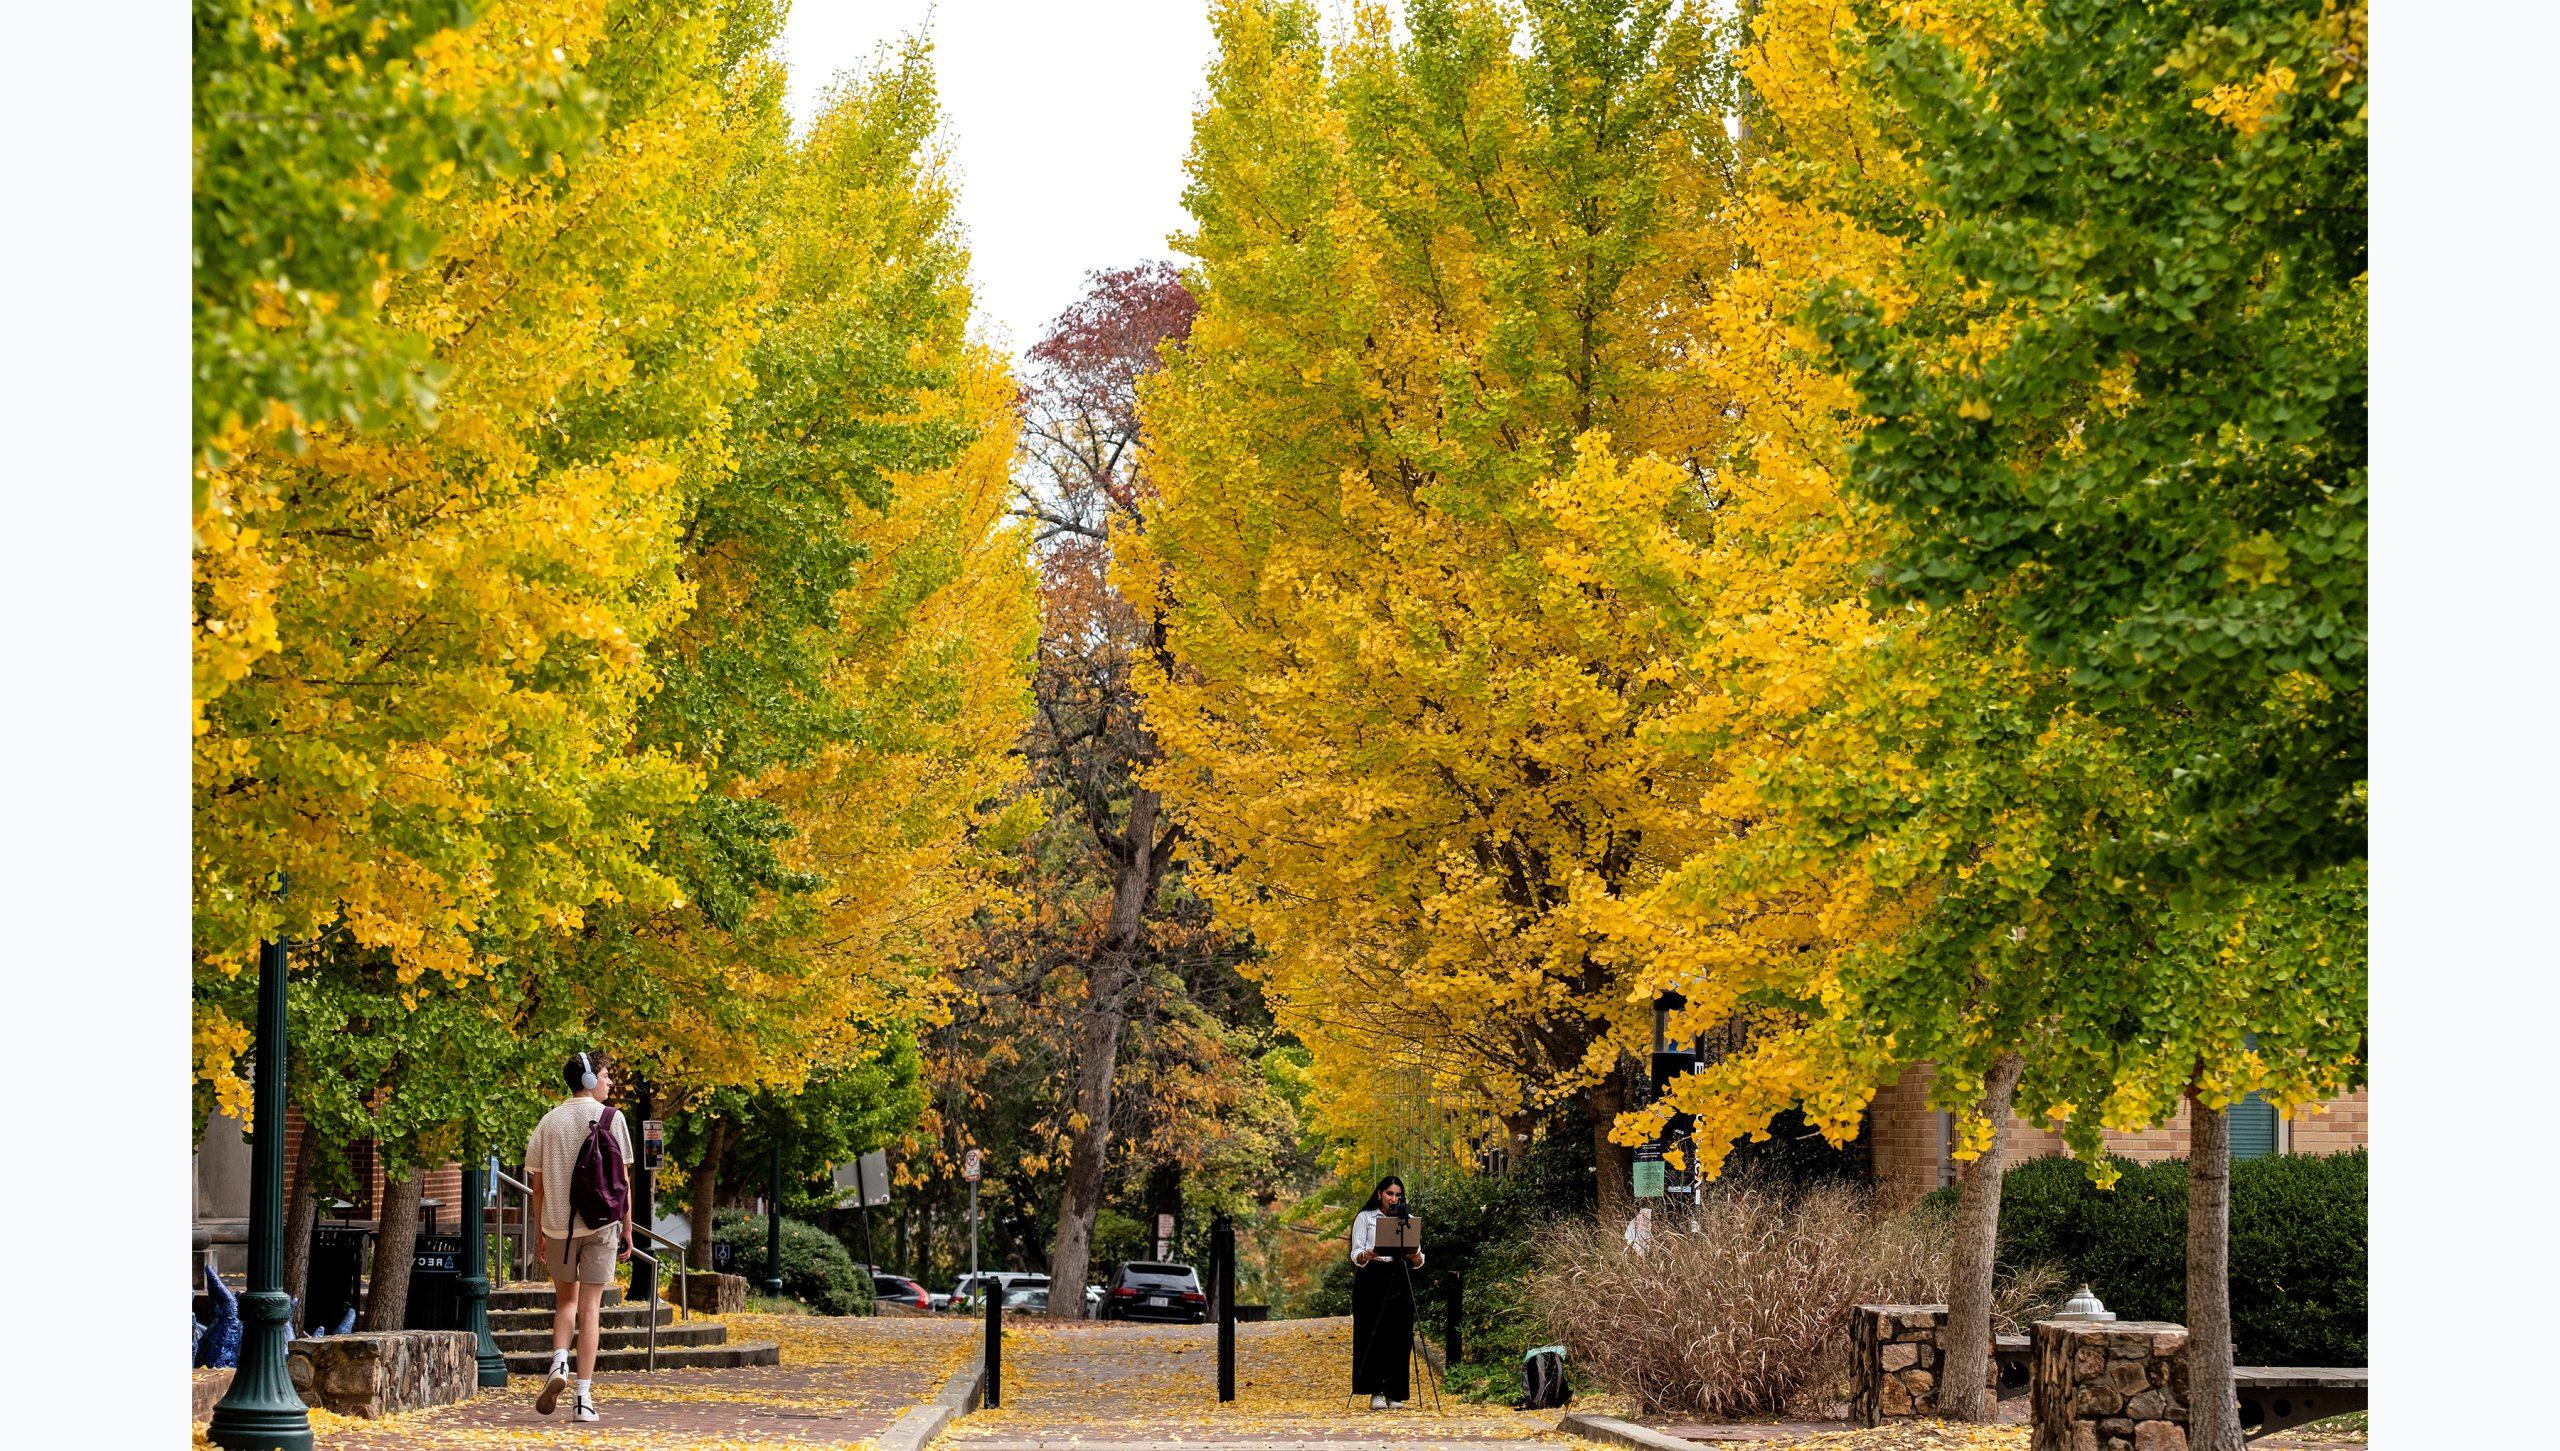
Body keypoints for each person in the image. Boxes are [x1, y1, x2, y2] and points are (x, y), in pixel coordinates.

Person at [525, 1050, 633, 1423]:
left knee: (565, 1303)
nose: (610, 1082)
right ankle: (583, 1400)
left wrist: (540, 1230)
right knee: (591, 1309)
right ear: (589, 1079)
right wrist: (627, 1228)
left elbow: (537, 1187)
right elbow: (623, 1182)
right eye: (605, 1075)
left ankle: (558, 1364)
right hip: (602, 1226)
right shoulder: (613, 1118)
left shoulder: (548, 1121)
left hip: (558, 1227)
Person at [1348, 1175, 1424, 1410]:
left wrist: (1415, 1257)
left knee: (1399, 1335)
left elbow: (1419, 1256)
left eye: (1398, 1195)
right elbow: (1356, 1253)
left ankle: (1396, 1392)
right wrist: (1365, 1255)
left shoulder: (1408, 1219)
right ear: (1380, 1193)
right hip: (1373, 1277)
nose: (1394, 1198)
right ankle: (1375, 1391)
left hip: (1400, 1275)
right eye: (1390, 1194)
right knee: (1373, 1333)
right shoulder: (1366, 1217)